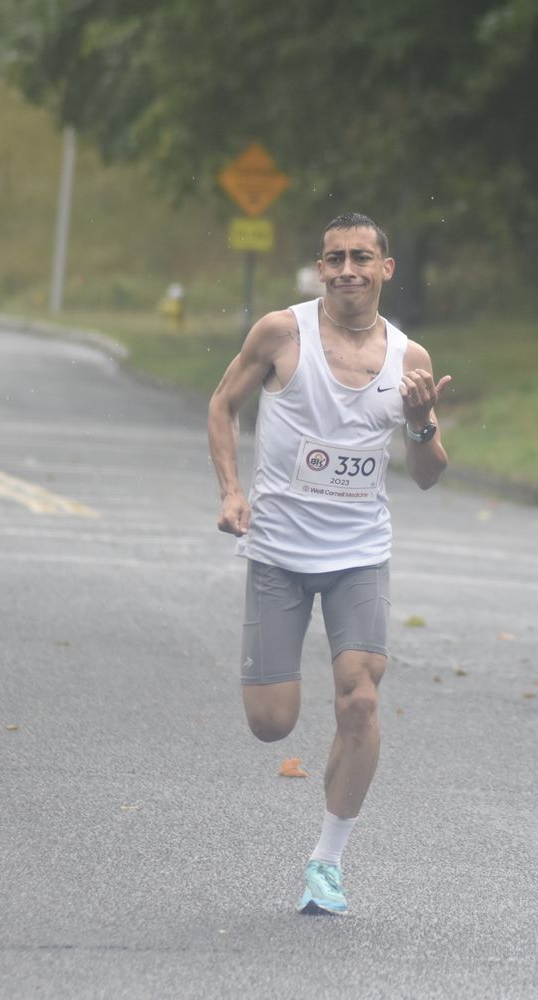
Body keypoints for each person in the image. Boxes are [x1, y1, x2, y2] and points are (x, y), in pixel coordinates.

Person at [207, 212, 450, 915]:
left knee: (361, 698)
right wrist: (231, 491)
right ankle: (279, 699)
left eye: (362, 258)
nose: (348, 269)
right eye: (335, 258)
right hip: (279, 551)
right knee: (272, 722)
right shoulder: (282, 334)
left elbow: (430, 474)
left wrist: (422, 422)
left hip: (358, 556)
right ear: (321, 269)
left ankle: (328, 862)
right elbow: (223, 405)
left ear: (386, 269)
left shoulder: (411, 362)